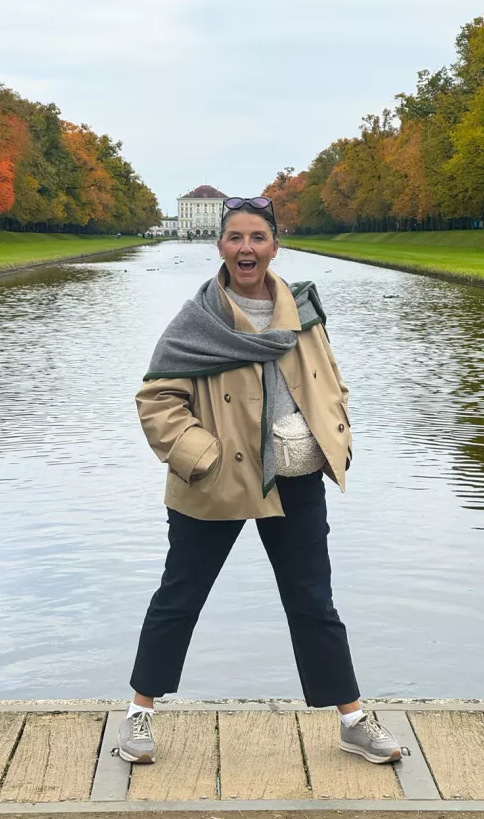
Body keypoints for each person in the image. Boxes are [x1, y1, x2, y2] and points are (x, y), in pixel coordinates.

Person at [115, 196, 404, 766]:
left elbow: (330, 381)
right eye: (235, 238)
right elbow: (157, 400)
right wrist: (203, 457)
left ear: (275, 244)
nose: (246, 248)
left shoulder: (302, 312)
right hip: (215, 480)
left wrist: (336, 434)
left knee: (314, 603)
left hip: (295, 480)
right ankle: (139, 713)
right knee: (180, 597)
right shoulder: (198, 319)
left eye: (257, 237)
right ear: (219, 246)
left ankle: (351, 720)